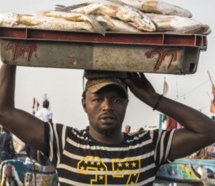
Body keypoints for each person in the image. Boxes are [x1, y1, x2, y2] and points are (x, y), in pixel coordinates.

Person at [0, 64, 215, 185]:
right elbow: (5, 112)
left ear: (126, 104)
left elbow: (209, 131)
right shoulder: (64, 141)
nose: (107, 106)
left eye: (117, 99)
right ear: (84, 104)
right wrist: (10, 59)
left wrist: (153, 99)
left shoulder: (149, 146)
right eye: (97, 99)